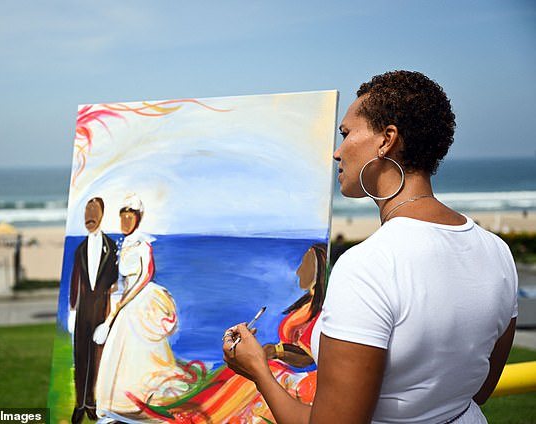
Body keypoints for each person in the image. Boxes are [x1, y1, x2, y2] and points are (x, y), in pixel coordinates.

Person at [222, 70, 518, 424]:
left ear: (386, 140)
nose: (336, 152)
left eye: (346, 134)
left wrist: (258, 372)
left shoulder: (369, 265)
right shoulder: (496, 251)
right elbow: (479, 389)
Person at [94, 194, 185, 421]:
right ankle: (119, 400)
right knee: (120, 349)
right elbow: (123, 279)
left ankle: (144, 398)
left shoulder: (143, 244)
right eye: (122, 218)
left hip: (142, 301)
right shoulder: (123, 245)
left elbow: (144, 276)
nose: (125, 223)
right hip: (128, 299)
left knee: (142, 351)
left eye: (130, 218)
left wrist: (122, 305)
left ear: (138, 219)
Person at [68, 197, 118, 424]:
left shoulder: (111, 246)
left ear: (102, 214)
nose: (90, 216)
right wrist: (71, 309)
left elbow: (115, 283)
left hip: (101, 310)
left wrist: (109, 318)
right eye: (87, 211)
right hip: (82, 312)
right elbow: (74, 280)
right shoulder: (80, 249)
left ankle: (91, 401)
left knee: (97, 357)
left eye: (94, 211)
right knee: (81, 356)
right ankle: (80, 403)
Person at [263, 243, 328, 369]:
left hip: (297, 378)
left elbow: (308, 357)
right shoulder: (307, 303)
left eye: (306, 264)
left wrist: (277, 351)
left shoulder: (321, 312)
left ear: (319, 270)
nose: (298, 272)